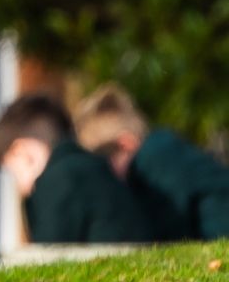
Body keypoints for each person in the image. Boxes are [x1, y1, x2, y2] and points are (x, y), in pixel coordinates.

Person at [0, 92, 157, 244]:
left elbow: (47, 261)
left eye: (13, 173)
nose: (21, 189)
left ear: (22, 153)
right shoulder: (96, 170)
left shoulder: (58, 181)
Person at [72, 83, 229, 241]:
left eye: (104, 160)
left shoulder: (153, 158)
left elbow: (170, 225)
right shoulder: (159, 152)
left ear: (126, 144)